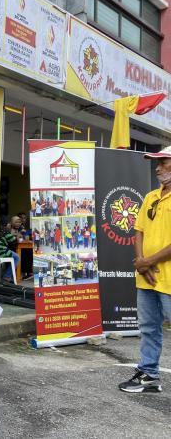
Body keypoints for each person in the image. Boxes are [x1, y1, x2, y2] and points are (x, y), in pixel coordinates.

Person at [119, 146, 171, 394]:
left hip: (168, 279)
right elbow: (138, 231)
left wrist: (147, 262)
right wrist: (141, 262)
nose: (158, 168)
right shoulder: (151, 197)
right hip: (147, 278)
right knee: (149, 328)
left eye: (164, 163)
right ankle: (149, 374)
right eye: (156, 164)